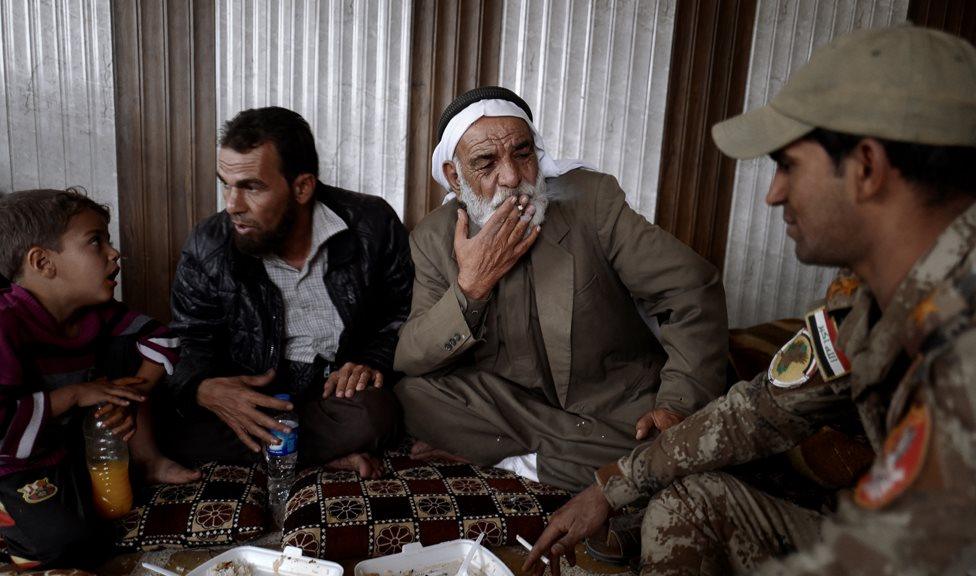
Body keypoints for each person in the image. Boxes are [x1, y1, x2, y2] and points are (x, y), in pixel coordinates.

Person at [525, 25, 976, 575]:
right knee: (687, 507)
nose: (774, 192)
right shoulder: (871, 298)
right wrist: (610, 487)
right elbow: (763, 409)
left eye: (789, 165)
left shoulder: (960, 346)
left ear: (866, 168)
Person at [393, 87, 729, 491]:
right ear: (454, 175)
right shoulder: (435, 238)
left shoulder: (592, 202)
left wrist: (678, 404)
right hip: (513, 411)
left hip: (617, 408)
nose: (513, 178)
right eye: (486, 162)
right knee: (413, 396)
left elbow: (692, 287)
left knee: (669, 435)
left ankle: (523, 464)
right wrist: (472, 284)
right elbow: (412, 357)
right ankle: (615, 466)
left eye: (522, 154)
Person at [162, 107, 413, 478]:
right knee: (176, 428)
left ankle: (283, 454)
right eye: (226, 184)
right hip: (256, 395)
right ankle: (315, 456)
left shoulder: (370, 224)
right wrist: (204, 388)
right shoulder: (209, 244)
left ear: (302, 187)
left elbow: (404, 311)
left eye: (252, 187)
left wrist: (371, 359)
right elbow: (189, 339)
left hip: (334, 395)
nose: (232, 205)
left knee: (374, 416)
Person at [0, 188, 199, 569]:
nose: (114, 253)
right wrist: (76, 395)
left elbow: (163, 339)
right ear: (43, 262)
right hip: (11, 462)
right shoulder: (6, 324)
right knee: (65, 544)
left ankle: (149, 460)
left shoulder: (97, 314)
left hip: (66, 447)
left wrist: (127, 396)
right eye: (96, 241)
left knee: (129, 345)